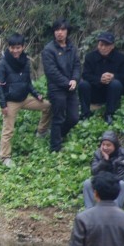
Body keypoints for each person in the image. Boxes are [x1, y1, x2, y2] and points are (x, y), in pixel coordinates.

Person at [0, 33, 52, 167]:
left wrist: (36, 94)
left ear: (23, 47)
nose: (15, 50)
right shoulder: (2, 63)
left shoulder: (25, 61)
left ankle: (42, 131)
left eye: (18, 47)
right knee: (8, 129)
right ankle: (5, 157)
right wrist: (3, 105)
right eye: (13, 48)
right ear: (9, 48)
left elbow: (28, 82)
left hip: (25, 98)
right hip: (10, 102)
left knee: (48, 106)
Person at [42, 18, 81, 152]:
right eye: (57, 30)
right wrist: (67, 82)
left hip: (71, 87)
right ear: (53, 32)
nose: (60, 33)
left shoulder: (72, 47)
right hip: (56, 89)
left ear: (67, 31)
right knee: (58, 117)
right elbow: (51, 72)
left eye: (63, 29)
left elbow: (77, 65)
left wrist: (75, 79)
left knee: (74, 118)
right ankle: (55, 148)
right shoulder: (48, 50)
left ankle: (57, 134)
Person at [79, 31, 124, 125]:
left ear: (112, 46)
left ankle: (109, 114)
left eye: (106, 45)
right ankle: (85, 113)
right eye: (101, 45)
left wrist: (113, 77)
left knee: (115, 83)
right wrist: (99, 79)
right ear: (98, 45)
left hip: (112, 92)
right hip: (96, 91)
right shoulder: (90, 57)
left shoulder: (121, 58)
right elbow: (86, 75)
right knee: (83, 84)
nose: (103, 48)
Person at [82, 132, 124, 209]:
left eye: (108, 145)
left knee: (121, 184)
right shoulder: (98, 154)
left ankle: (114, 210)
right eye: (103, 145)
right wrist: (104, 161)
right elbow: (94, 172)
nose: (105, 147)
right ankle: (90, 210)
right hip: (105, 188)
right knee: (87, 183)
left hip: (122, 188)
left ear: (115, 145)